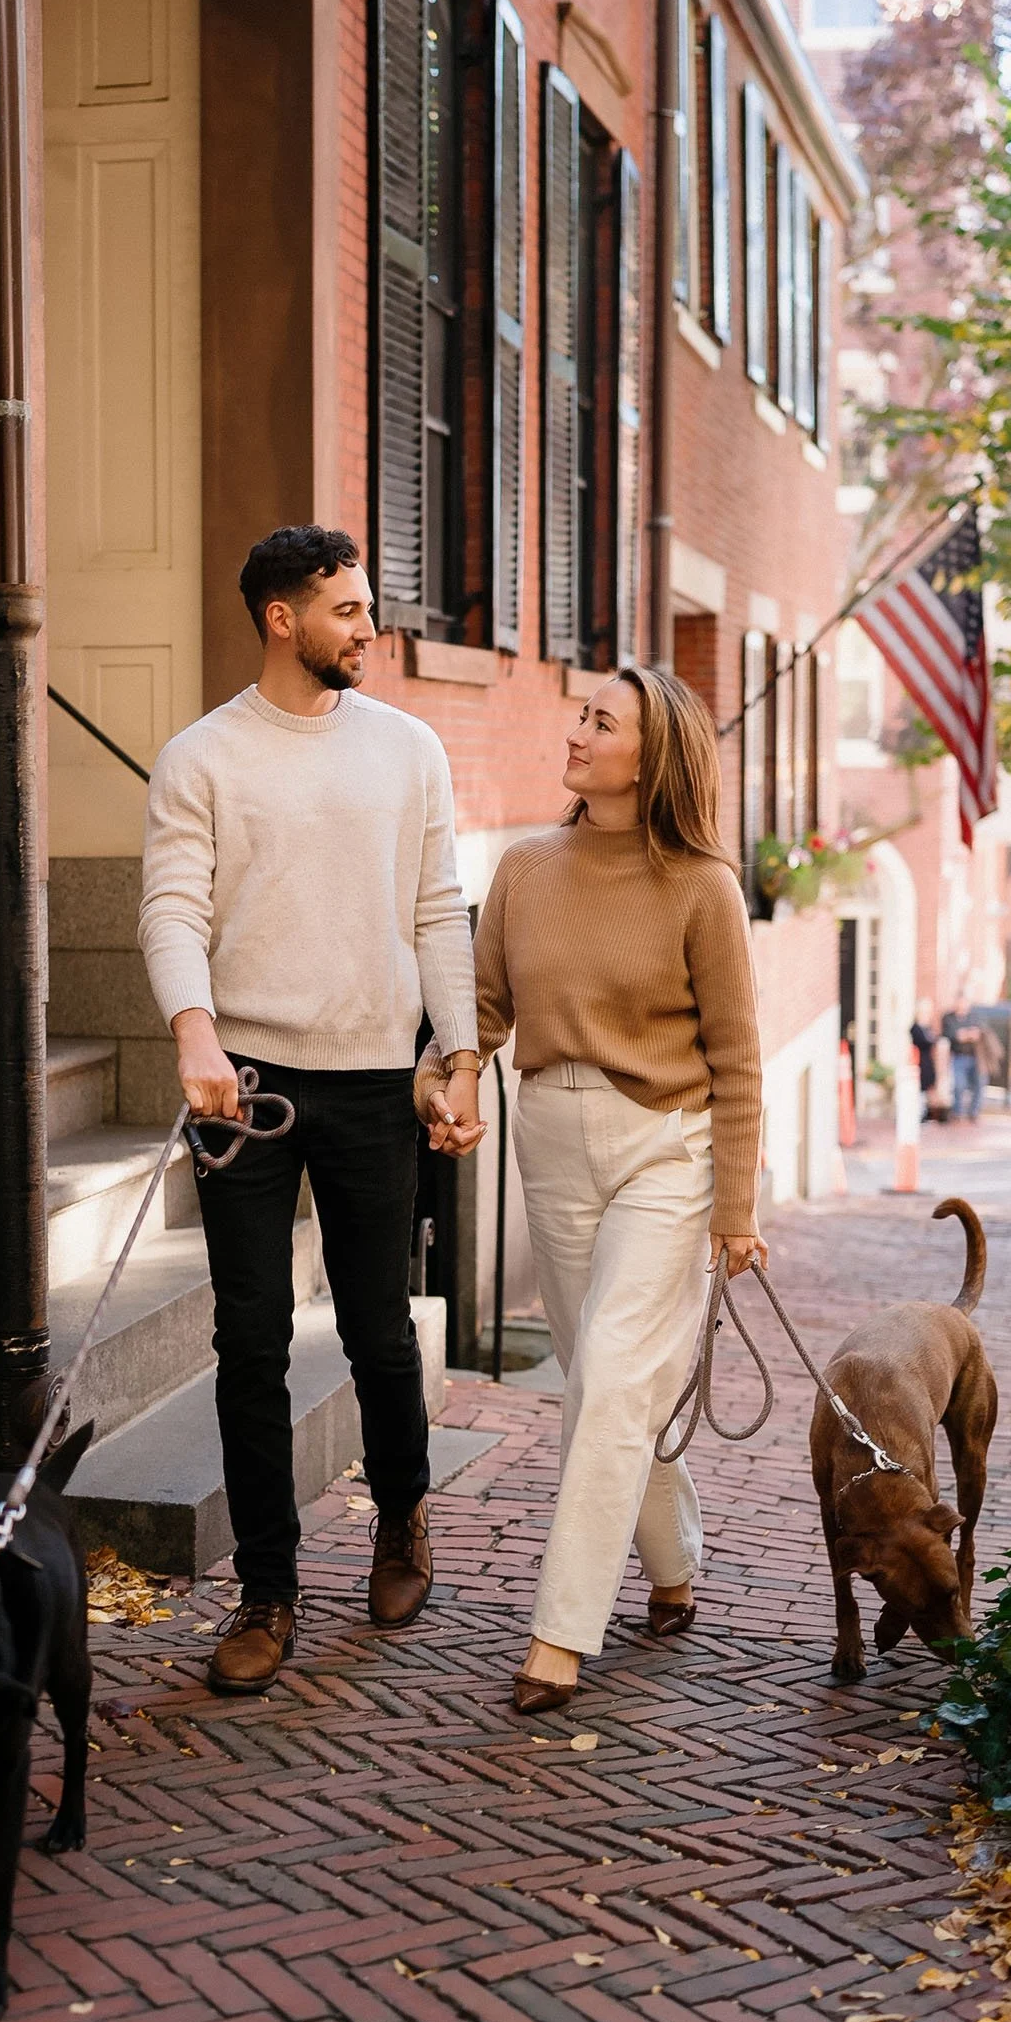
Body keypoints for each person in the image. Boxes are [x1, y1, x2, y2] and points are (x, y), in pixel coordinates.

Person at [138, 525, 483, 1695]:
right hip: (243, 1085)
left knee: (380, 1329)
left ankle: (400, 1517)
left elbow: (441, 910)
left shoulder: (408, 748)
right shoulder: (203, 757)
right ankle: (267, 1589)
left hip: (378, 1078)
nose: (366, 626)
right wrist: (193, 1030)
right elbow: (172, 909)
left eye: (365, 604)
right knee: (251, 1341)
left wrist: (459, 1055)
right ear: (281, 618)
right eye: (344, 608)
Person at [420, 668, 765, 1714]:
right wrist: (454, 1078)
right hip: (552, 1150)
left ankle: (558, 1634)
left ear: (650, 756)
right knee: (598, 1377)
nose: (575, 730)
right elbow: (475, 1016)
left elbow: (739, 1060)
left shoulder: (702, 886)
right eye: (580, 714)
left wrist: (735, 1209)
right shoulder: (525, 868)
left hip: (665, 1148)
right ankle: (672, 1563)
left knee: (613, 1376)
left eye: (598, 720)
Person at [942, 992, 984, 1123]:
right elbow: (952, 1035)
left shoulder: (974, 1017)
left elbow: (979, 1033)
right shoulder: (949, 1018)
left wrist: (964, 1034)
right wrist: (966, 1035)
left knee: (979, 1084)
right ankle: (958, 1112)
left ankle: (974, 1112)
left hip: (975, 1057)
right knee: (959, 1085)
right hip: (959, 1057)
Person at [910, 1002, 941, 1122]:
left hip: (928, 1061)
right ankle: (919, 1114)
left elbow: (935, 1039)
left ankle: (924, 1113)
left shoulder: (927, 1027)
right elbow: (925, 1041)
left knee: (927, 1088)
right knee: (919, 1088)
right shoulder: (915, 1028)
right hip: (919, 1061)